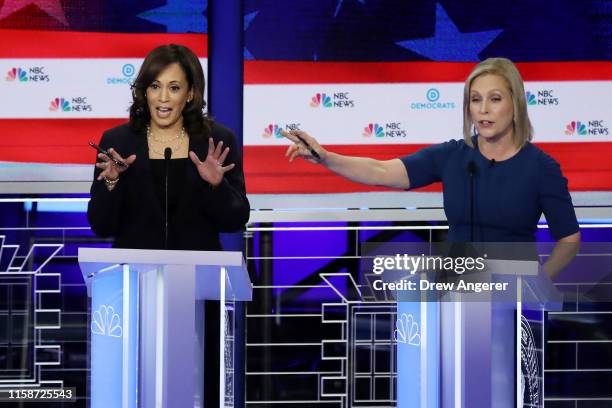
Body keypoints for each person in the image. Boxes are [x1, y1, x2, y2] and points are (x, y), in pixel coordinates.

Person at [281, 57, 579, 277]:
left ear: (516, 104)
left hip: (514, 295)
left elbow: (569, 238)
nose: (484, 109)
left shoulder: (541, 168)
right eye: (475, 100)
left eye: (495, 99)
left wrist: (538, 283)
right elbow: (381, 171)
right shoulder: (453, 156)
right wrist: (326, 157)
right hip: (457, 287)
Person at [87, 44, 249, 250]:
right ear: (145, 91)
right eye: (155, 86)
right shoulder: (118, 142)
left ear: (190, 93)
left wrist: (217, 186)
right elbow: (101, 225)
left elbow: (236, 221)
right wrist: (112, 181)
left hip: (198, 274)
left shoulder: (216, 141)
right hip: (135, 275)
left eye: (174, 88)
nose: (163, 97)